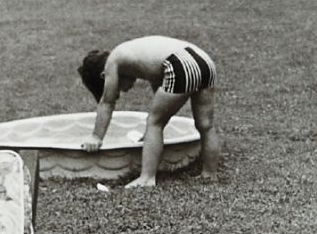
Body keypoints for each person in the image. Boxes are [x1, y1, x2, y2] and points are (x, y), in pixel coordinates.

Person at [77, 35, 222, 187]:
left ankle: (147, 178)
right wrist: (148, 138)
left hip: (181, 63)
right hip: (204, 60)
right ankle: (209, 174)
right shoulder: (138, 56)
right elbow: (160, 92)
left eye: (119, 88)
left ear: (104, 76)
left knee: (154, 123)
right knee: (206, 125)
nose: (124, 90)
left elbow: (107, 102)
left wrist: (96, 137)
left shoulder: (112, 61)